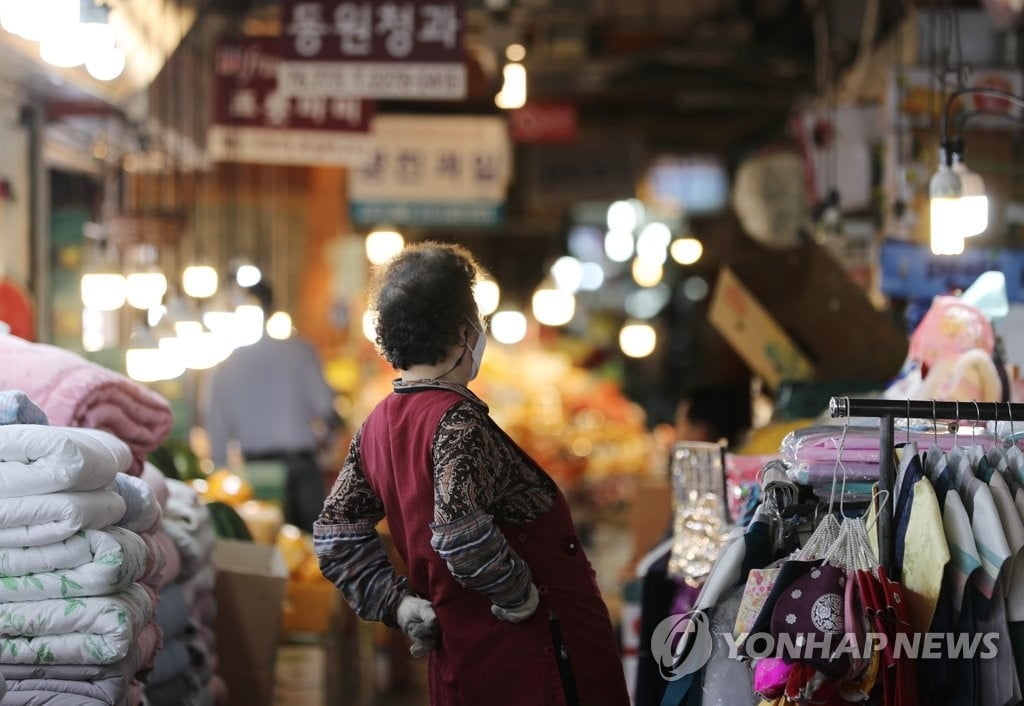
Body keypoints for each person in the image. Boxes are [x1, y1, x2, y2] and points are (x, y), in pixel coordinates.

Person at [314, 243, 629, 706]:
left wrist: (398, 604)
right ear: (464, 331)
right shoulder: (457, 420)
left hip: (463, 659)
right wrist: (519, 595)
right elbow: (460, 532)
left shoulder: (376, 425)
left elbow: (335, 534)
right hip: (536, 660)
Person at [203, 281, 339, 531]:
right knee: (313, 552)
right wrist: (327, 443)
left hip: (257, 473)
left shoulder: (225, 366)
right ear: (273, 307)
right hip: (302, 466)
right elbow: (326, 408)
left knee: (268, 552)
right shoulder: (300, 351)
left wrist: (220, 480)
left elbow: (217, 432)